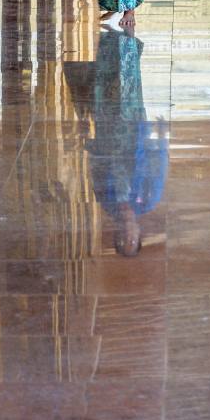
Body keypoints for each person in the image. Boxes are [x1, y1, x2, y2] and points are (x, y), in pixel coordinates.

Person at [64, 28, 168, 256]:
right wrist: (160, 138)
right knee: (128, 87)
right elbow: (158, 168)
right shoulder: (148, 200)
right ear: (139, 233)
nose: (127, 235)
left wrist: (87, 140)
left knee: (104, 90)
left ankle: (108, 42)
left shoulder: (107, 203)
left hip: (108, 134)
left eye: (122, 239)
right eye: (132, 239)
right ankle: (128, 41)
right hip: (133, 132)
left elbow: (95, 170)